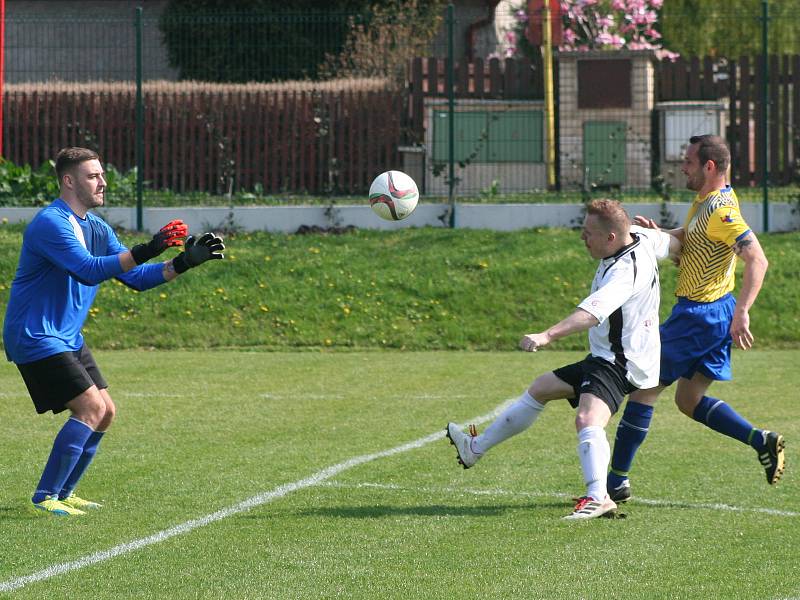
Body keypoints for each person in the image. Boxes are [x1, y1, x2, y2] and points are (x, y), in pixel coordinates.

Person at [3, 147, 226, 516]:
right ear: (69, 181)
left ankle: (65, 493)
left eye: (102, 174)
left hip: (66, 335)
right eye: (93, 176)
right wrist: (148, 248)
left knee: (105, 411)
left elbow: (136, 277)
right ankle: (45, 498)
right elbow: (88, 269)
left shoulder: (97, 227)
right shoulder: (51, 223)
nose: (103, 181)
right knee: (90, 407)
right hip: (34, 334)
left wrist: (185, 262)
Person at [446, 199, 680, 519]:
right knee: (542, 387)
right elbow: (675, 243)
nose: (582, 238)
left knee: (587, 420)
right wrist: (675, 249)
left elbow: (590, 314)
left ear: (611, 237)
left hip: (620, 359)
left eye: (588, 233)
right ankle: (475, 449)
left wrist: (547, 335)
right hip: (613, 354)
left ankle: (599, 497)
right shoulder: (640, 235)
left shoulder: (625, 272)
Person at [606, 135, 785, 504]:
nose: (681, 167)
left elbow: (757, 259)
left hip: (700, 316)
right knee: (688, 400)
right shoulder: (706, 202)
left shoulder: (721, 211)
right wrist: (659, 236)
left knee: (644, 387)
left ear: (708, 166)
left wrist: (743, 312)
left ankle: (615, 483)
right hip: (709, 313)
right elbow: (693, 240)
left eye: (687, 161)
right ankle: (760, 439)